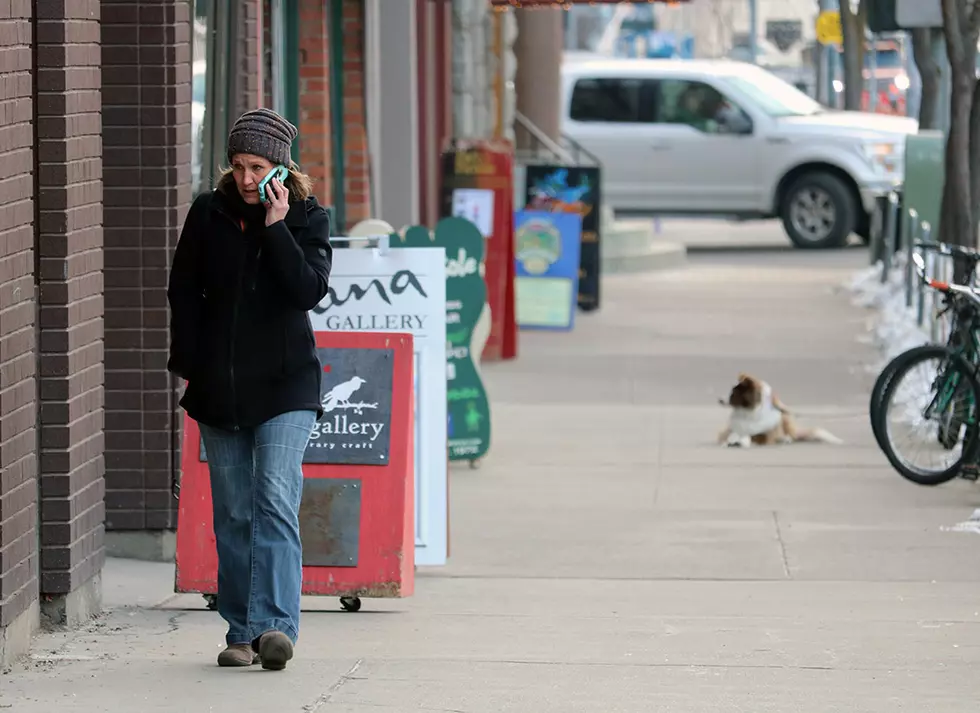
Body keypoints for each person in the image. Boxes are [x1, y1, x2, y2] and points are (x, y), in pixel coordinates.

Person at [167, 108, 333, 670]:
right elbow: (183, 293)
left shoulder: (308, 218)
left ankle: (276, 628)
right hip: (221, 385)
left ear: (280, 167)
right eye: (237, 164)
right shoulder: (207, 214)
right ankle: (241, 631)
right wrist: (190, 364)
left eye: (256, 165)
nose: (243, 177)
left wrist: (276, 227)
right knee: (234, 512)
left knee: (275, 499)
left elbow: (308, 290)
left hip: (287, 386)